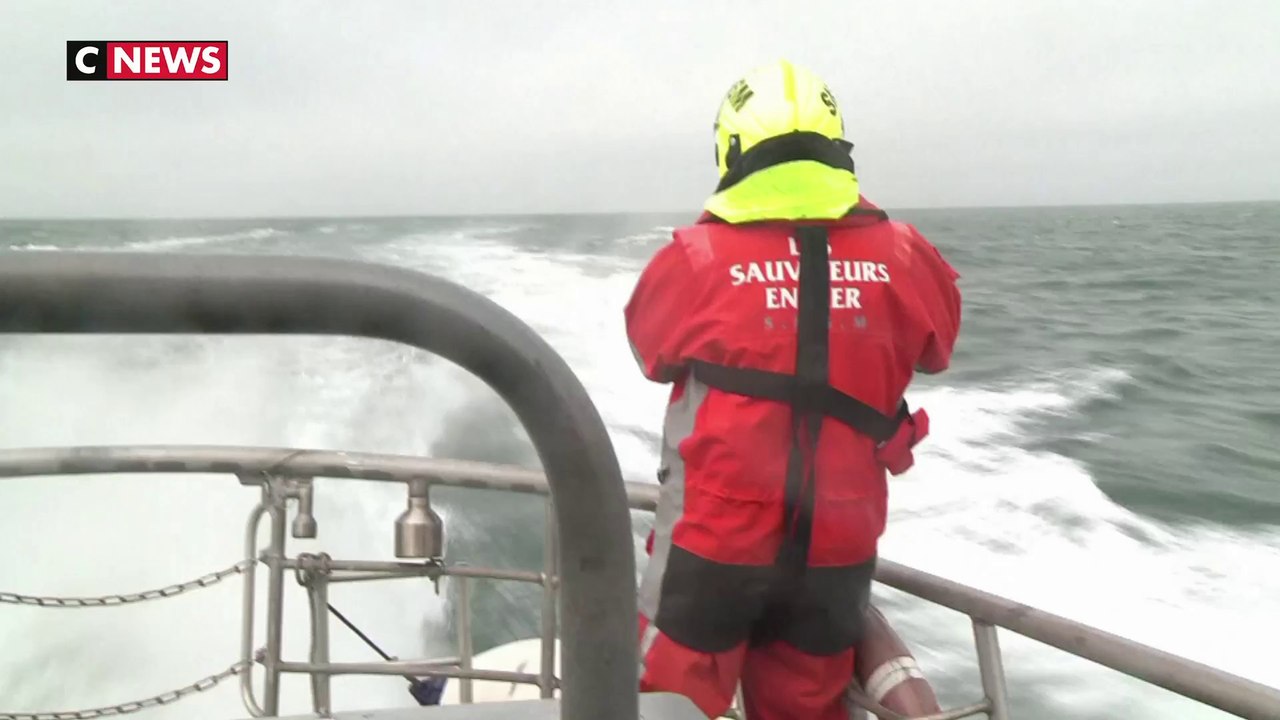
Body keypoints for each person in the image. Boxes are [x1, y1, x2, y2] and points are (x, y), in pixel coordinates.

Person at [624, 59, 963, 720]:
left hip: (711, 543)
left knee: (666, 704)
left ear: (731, 153)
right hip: (835, 546)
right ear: (838, 151)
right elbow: (937, 349)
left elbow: (649, 348)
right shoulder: (904, 254)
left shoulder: (696, 258)